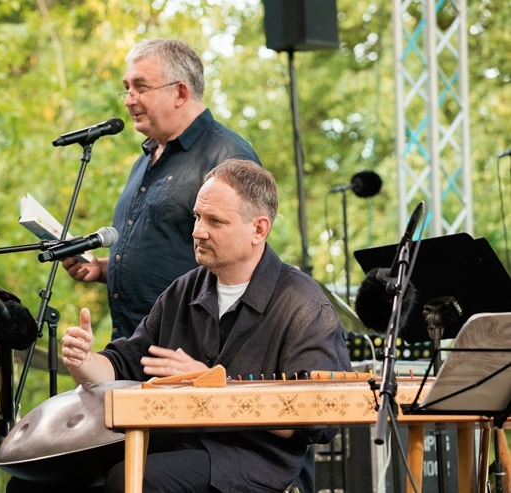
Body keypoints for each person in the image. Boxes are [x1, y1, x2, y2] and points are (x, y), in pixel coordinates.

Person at [61, 159, 353, 493]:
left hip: (260, 466)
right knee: (49, 481)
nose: (198, 231)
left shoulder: (303, 304)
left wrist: (215, 385)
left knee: (135, 480)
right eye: (198, 216)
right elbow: (124, 364)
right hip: (179, 447)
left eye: (215, 221)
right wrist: (85, 362)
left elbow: (322, 416)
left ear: (259, 229)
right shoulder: (183, 290)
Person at [62, 38, 261, 340]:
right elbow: (166, 251)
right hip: (132, 348)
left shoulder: (227, 155)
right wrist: (103, 269)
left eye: (140, 87)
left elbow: (245, 262)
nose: (129, 99)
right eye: (126, 88)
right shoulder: (145, 159)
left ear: (180, 92)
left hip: (189, 352)